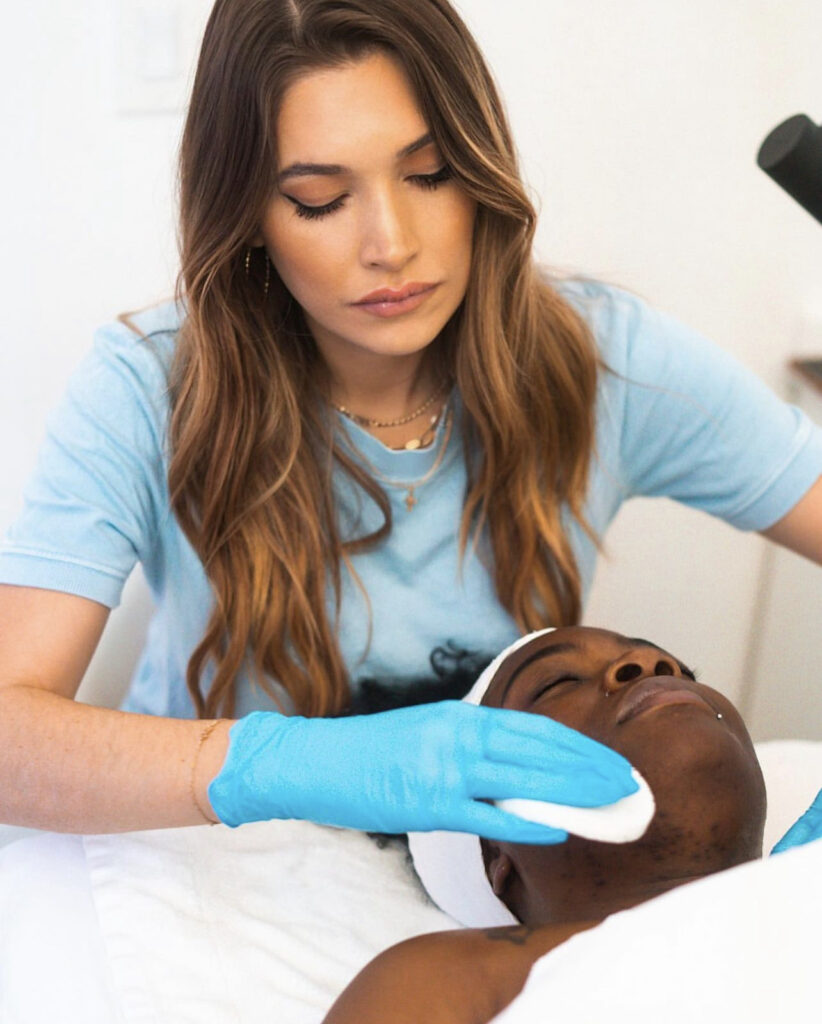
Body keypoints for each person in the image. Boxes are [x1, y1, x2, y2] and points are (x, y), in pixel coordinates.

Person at [0, 0, 821, 843]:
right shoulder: (149, 385)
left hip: (485, 875)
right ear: (248, 212)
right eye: (319, 200)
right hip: (218, 875)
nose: (390, 243)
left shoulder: (602, 358)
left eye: (430, 174)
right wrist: (275, 766)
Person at [321, 625, 773, 1024]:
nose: (652, 663)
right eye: (559, 683)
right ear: (497, 852)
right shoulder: (451, 980)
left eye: (681, 672)